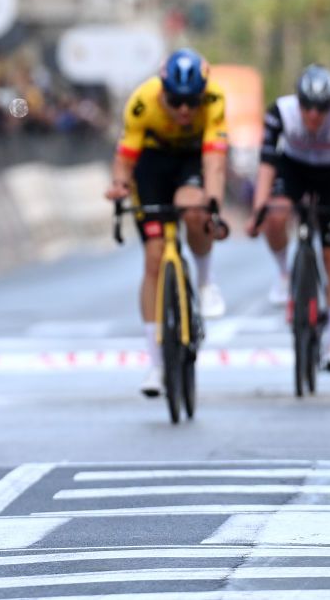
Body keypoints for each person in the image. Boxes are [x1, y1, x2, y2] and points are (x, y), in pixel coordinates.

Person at [104, 48, 229, 397]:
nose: (185, 110)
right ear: (162, 92)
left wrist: (213, 204)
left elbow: (215, 163)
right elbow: (125, 160)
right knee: (154, 259)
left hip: (192, 159)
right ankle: (157, 364)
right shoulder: (142, 102)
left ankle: (205, 283)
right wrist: (119, 186)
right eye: (176, 101)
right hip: (153, 164)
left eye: (192, 101)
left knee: (192, 208)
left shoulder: (215, 99)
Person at [245, 65, 330, 372]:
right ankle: (284, 274)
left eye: (321, 109)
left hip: (329, 175)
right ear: (298, 102)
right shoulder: (280, 112)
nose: (313, 115)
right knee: (276, 216)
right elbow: (267, 164)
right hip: (292, 169)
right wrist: (258, 211)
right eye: (307, 107)